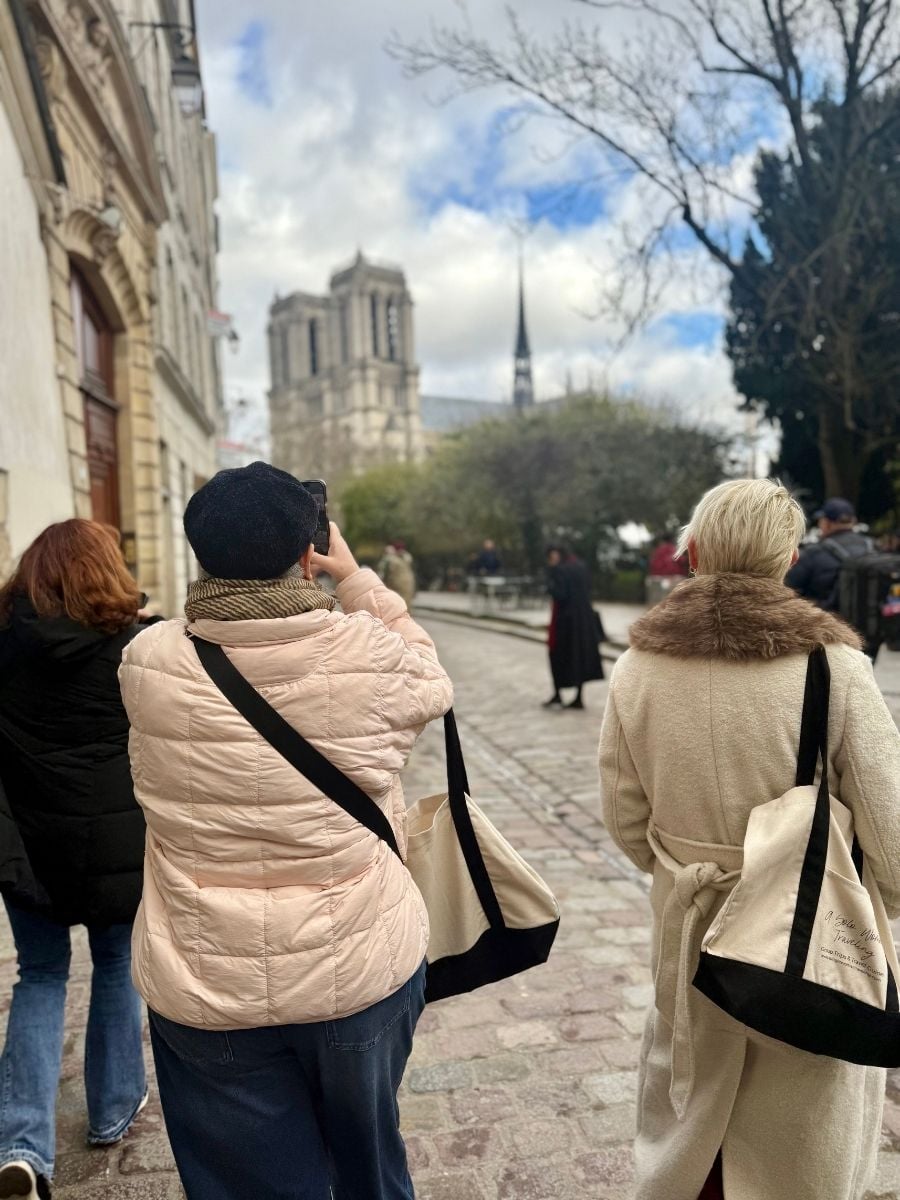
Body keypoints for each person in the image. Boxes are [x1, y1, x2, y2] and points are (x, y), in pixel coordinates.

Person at [118, 462, 453, 1200]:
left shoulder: (146, 662)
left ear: (201, 557)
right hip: (357, 972)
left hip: (208, 984)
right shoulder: (364, 650)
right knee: (369, 1168)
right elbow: (431, 677)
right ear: (307, 558)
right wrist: (360, 581)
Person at [599, 479, 900, 1200]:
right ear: (789, 556)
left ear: (694, 551)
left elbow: (622, 814)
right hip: (805, 930)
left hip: (691, 923)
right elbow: (892, 837)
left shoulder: (639, 666)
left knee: (691, 1102)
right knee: (798, 1115)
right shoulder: (833, 668)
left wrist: (683, 870)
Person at [0, 520, 149, 1199]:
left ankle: (23, 1144)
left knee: (40, 978)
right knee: (116, 966)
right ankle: (113, 1108)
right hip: (117, 845)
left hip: (29, 848)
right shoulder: (134, 647)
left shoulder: (3, 646)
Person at [544, 545, 604, 710]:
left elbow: (560, 594)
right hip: (583, 620)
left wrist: (550, 583)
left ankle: (558, 694)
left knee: (556, 655)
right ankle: (578, 697)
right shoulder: (581, 567)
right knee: (579, 656)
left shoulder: (560, 569)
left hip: (564, 621)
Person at [378, 540, 416, 608]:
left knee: (396, 606)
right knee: (406, 605)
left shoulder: (390, 559)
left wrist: (388, 555)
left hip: (396, 586)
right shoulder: (407, 557)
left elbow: (382, 571)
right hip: (408, 584)